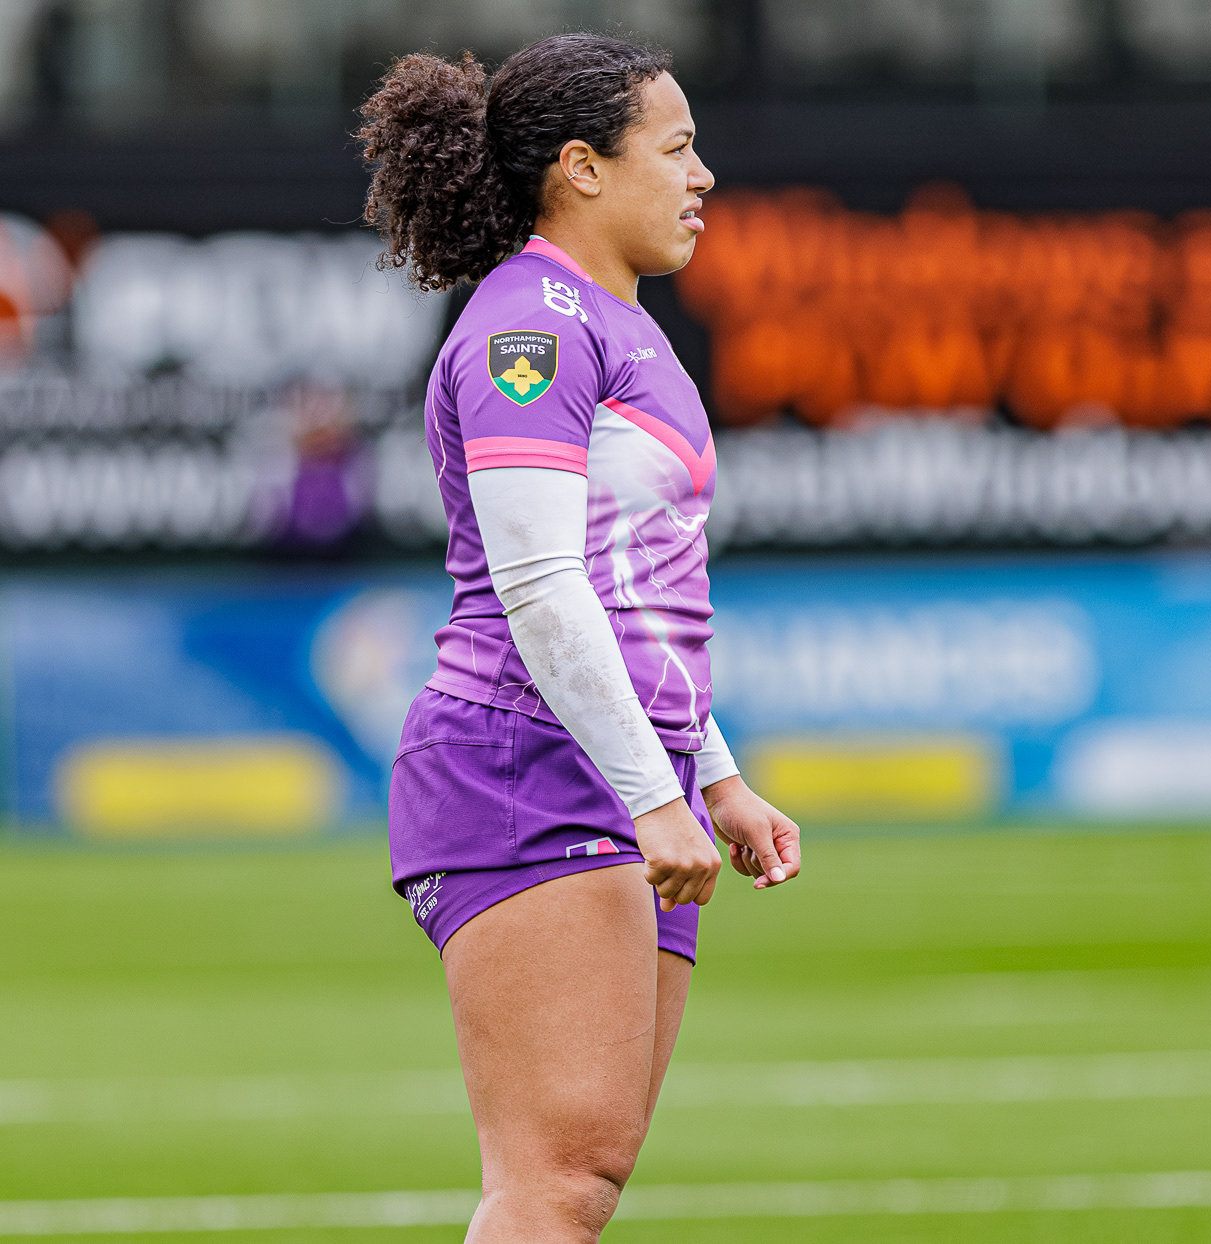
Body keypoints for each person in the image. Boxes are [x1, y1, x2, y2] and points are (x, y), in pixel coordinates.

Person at [359, 34, 800, 1243]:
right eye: (677, 148)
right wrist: (656, 792)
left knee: (583, 1180)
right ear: (582, 167)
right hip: (526, 762)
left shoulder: (619, 323)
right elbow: (542, 584)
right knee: (552, 1181)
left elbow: (629, 592)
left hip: (618, 767)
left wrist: (711, 773)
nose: (703, 175)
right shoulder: (534, 327)